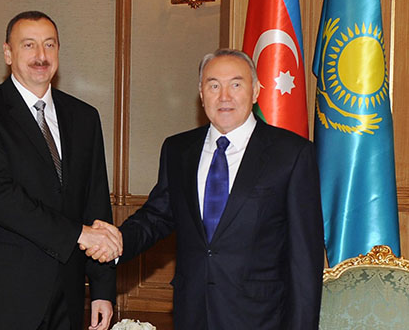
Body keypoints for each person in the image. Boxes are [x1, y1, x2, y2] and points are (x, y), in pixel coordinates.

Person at [89, 48, 324, 329]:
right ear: (201, 95)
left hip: (262, 318)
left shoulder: (292, 154)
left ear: (255, 91)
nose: (224, 96)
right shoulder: (178, 150)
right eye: (214, 86)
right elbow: (157, 216)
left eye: (236, 85)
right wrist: (118, 241)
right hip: (192, 313)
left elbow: (304, 259)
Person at [0, 11, 121, 330]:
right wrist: (79, 234)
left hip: (69, 296)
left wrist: (102, 289)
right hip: (6, 296)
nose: (41, 56)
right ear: (8, 53)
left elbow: (96, 203)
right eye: (29, 45)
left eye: (49, 44)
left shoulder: (84, 117)